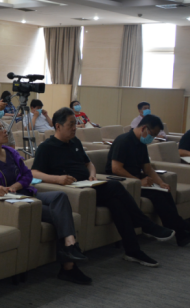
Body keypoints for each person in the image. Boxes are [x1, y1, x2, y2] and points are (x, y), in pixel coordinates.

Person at [32, 107, 174, 267]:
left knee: (117, 204)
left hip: (88, 185)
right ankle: (146, 224)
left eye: (75, 124)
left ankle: (133, 251)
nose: (74, 128)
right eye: (71, 124)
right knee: (115, 186)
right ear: (58, 126)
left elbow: (88, 163)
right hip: (73, 191)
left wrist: (92, 174)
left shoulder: (75, 142)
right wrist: (58, 179)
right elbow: (34, 172)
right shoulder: (47, 147)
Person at [0, 118, 90, 284]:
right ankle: (69, 264)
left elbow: (27, 175)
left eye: (4, 127)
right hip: (13, 204)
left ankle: (70, 245)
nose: (5, 130)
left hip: (24, 194)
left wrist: (15, 186)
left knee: (60, 196)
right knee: (61, 214)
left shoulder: (11, 152)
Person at [107, 115, 190, 245]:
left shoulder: (141, 143)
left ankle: (181, 233)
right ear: (144, 128)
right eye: (152, 134)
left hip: (135, 180)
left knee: (164, 192)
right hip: (122, 182)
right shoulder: (123, 141)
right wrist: (138, 182)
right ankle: (185, 229)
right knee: (156, 195)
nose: (152, 138)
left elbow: (148, 168)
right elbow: (116, 169)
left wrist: (161, 183)